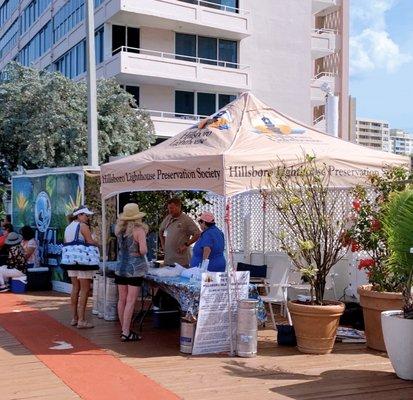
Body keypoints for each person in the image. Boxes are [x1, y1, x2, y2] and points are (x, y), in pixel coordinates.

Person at [115, 203, 149, 342]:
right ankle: (126, 332)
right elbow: (143, 250)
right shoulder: (139, 231)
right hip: (135, 268)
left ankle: (125, 329)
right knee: (130, 300)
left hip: (120, 267)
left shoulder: (119, 230)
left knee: (121, 299)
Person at [63, 206, 98, 329]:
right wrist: (98, 243)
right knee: (85, 289)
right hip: (83, 261)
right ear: (79, 215)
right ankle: (82, 320)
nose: (88, 217)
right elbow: (90, 241)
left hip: (70, 260)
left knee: (75, 288)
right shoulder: (83, 226)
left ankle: (74, 318)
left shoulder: (68, 227)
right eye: (86, 215)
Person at [159, 198, 201, 267]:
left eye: (172, 208)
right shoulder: (168, 218)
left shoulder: (186, 220)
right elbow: (161, 230)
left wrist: (186, 245)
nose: (170, 211)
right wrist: (163, 244)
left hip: (181, 262)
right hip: (168, 260)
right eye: (169, 208)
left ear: (179, 207)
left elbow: (198, 234)